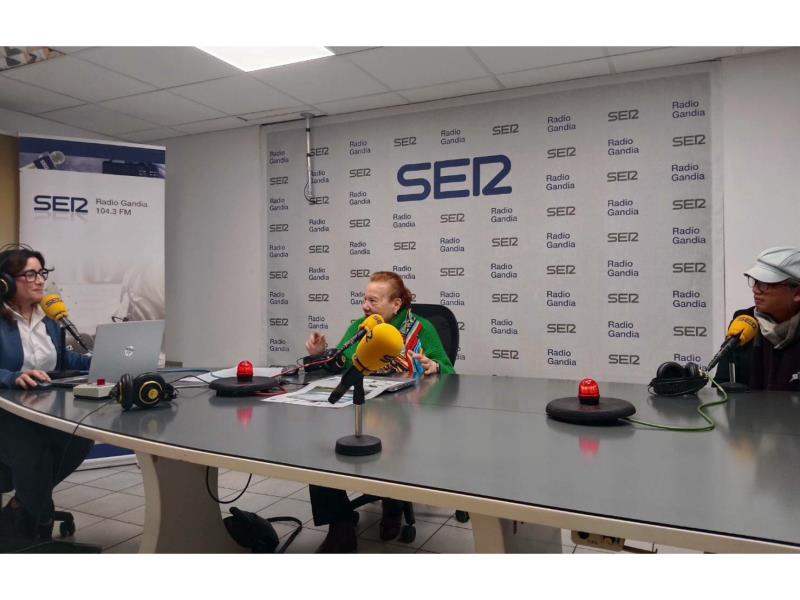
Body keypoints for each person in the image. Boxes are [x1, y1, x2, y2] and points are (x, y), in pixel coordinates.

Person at [305, 271, 454, 552]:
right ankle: (340, 524)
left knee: (393, 442)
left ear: (396, 304)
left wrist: (434, 366)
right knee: (319, 447)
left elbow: (449, 372)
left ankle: (393, 504)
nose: (365, 306)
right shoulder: (361, 327)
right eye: (365, 299)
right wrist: (320, 355)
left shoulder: (422, 329)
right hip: (361, 407)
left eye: (373, 300)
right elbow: (341, 363)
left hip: (408, 415)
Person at [0, 245, 94, 542]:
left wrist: (101, 360)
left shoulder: (50, 319)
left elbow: (63, 361)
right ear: (6, 282)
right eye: (30, 274)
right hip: (7, 411)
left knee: (80, 439)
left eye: (42, 273)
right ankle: (37, 528)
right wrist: (13, 377)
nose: (40, 280)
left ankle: (21, 507)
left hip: (45, 408)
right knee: (33, 453)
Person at [715, 246, 800, 391]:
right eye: (755, 281)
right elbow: (719, 386)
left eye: (765, 284)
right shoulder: (744, 321)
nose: (755, 289)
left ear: (797, 293)